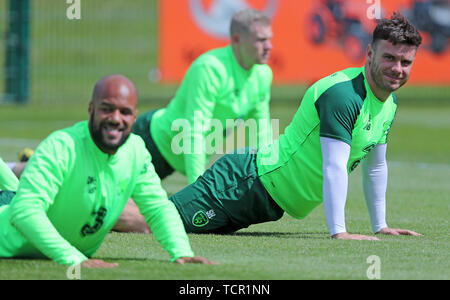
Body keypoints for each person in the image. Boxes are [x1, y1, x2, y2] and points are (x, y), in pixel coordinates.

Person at [167, 13, 424, 240]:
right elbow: (334, 165)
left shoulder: (388, 104)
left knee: (172, 223)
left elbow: (376, 166)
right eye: (389, 58)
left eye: (406, 62)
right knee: (159, 221)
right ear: (369, 53)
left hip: (265, 199)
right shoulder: (344, 94)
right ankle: (126, 199)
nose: (397, 69)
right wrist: (340, 232)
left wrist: (381, 226)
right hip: (247, 182)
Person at [0, 75, 216, 267]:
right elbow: (24, 212)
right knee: (14, 198)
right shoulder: (61, 146)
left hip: (23, 211)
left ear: (134, 116)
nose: (115, 118)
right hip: (6, 238)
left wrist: (182, 252)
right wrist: (74, 258)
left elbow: (158, 208)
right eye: (106, 109)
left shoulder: (135, 150)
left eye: (125, 112)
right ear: (90, 109)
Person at [115, 8, 274, 233]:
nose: (269, 46)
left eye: (270, 39)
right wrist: (198, 189)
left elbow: (262, 130)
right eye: (261, 40)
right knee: (109, 205)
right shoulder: (209, 68)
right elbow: (193, 130)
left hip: (182, 153)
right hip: (152, 143)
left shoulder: (263, 74)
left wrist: (270, 174)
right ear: (237, 39)